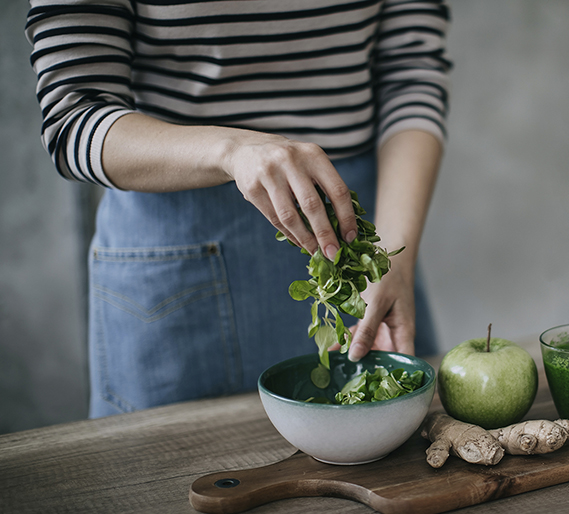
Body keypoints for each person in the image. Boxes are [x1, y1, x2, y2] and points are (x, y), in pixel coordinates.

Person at [25, 0, 451, 417]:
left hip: (354, 249)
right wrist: (231, 149)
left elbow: (411, 76)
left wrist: (394, 254)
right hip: (178, 259)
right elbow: (73, 117)